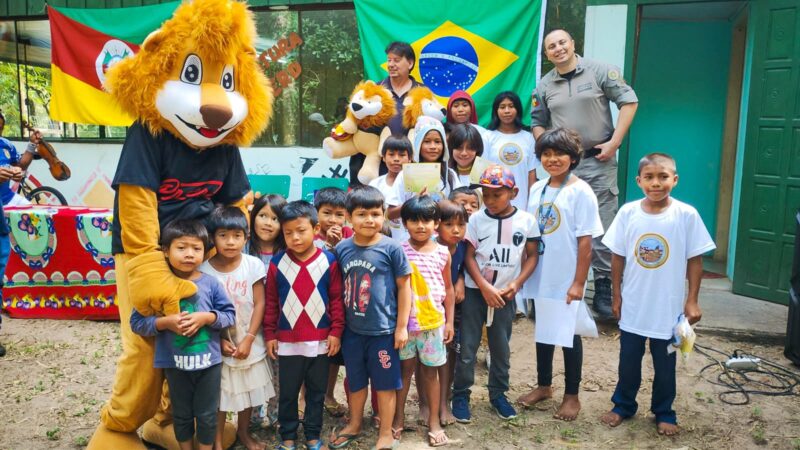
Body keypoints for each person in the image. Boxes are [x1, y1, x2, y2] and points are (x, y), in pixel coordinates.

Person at [599, 153, 715, 436]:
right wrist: (617, 296)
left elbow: (695, 260)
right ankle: (623, 405)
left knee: (665, 364)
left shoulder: (686, 214)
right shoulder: (628, 212)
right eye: (649, 177)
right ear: (639, 181)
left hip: (668, 309)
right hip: (634, 306)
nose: (656, 183)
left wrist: (692, 299)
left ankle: (664, 411)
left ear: (674, 179)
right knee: (628, 361)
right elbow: (617, 256)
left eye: (663, 177)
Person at [531, 28, 639, 320]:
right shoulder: (544, 86)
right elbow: (537, 123)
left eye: (562, 42)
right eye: (551, 46)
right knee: (559, 224)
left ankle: (603, 288)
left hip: (598, 160)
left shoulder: (600, 71)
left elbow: (629, 102)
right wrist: (547, 152)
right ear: (547, 53)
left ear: (573, 43)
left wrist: (615, 142)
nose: (558, 49)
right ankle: (554, 285)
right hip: (563, 165)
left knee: (602, 225)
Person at [517, 128, 604, 421]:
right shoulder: (539, 188)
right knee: (543, 330)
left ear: (573, 157)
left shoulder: (581, 191)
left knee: (568, 334)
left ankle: (571, 395)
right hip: (539, 273)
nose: (552, 159)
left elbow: (585, 242)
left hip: (566, 276)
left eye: (559, 154)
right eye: (546, 154)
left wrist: (579, 282)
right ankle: (544, 385)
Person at [130, 219, 236, 450]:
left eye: (196, 248)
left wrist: (207, 317)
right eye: (181, 247)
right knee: (181, 414)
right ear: (166, 251)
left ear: (205, 252)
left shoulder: (211, 284)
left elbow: (229, 315)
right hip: (175, 365)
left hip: (209, 365)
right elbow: (136, 323)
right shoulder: (155, 286)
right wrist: (164, 323)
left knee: (208, 415)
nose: (189, 254)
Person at [452, 165, 539, 423]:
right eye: (486, 195)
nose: (489, 201)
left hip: (506, 294)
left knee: (500, 346)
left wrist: (517, 284)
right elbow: (468, 256)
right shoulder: (477, 219)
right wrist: (483, 286)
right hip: (475, 291)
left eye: (497, 195)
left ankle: (498, 394)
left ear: (514, 192)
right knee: (467, 346)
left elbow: (532, 256)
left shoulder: (527, 221)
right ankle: (460, 395)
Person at [329, 186, 412, 450]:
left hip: (384, 333)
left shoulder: (392, 248)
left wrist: (401, 328)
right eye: (362, 214)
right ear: (349, 218)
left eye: (375, 214)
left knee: (385, 384)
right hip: (353, 332)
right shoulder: (341, 249)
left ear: (384, 215)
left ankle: (386, 432)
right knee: (355, 380)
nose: (369, 220)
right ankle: (355, 423)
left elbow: (404, 287)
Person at [264, 201, 345, 450]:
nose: (295, 237)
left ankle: (312, 435)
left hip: (320, 342)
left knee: (316, 392)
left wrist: (336, 332)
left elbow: (336, 300)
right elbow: (271, 303)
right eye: (288, 233)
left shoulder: (328, 262)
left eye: (301, 230)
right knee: (287, 393)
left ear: (316, 228)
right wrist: (270, 334)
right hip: (288, 343)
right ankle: (287, 436)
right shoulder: (277, 263)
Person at [199, 207, 273, 450]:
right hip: (219, 344)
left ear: (246, 236)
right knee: (221, 396)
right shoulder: (204, 270)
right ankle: (218, 442)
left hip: (250, 340)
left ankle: (243, 433)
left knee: (249, 391)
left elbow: (260, 302)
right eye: (223, 235)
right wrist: (219, 341)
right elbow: (203, 310)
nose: (230, 242)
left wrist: (250, 338)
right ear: (212, 238)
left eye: (237, 235)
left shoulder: (252, 265)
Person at [393, 196, 454, 447]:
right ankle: (397, 419)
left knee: (430, 373)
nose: (421, 226)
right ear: (405, 223)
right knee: (404, 373)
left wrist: (449, 322)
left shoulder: (442, 253)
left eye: (427, 220)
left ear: (436, 223)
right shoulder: (397, 250)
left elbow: (448, 289)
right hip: (405, 326)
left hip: (433, 325)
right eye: (414, 220)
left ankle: (434, 422)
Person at [350, 42, 423, 187]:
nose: (391, 65)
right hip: (378, 165)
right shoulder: (374, 91)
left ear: (410, 63)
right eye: (389, 60)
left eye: (396, 60)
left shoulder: (422, 93)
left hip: (410, 166)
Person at [244, 193, 286, 428]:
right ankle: (250, 415)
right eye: (262, 216)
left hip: (277, 320)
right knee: (253, 367)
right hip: (248, 319)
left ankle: (275, 412)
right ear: (253, 216)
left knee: (277, 368)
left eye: (275, 218)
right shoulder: (243, 247)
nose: (268, 223)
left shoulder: (286, 251)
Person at [435, 200, 469, 426]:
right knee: (426, 359)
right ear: (436, 225)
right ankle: (427, 403)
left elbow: (464, 266)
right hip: (430, 310)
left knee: (449, 354)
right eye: (449, 224)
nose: (455, 230)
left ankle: (443, 400)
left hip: (453, 311)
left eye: (461, 224)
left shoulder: (464, 246)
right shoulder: (429, 245)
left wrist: (461, 279)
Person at [386, 117, 461, 220]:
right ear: (418, 144)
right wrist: (414, 201)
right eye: (427, 141)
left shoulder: (450, 175)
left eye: (438, 142)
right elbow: (390, 214)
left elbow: (459, 207)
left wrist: (441, 204)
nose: (433, 146)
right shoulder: (405, 174)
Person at [486, 91, 539, 210]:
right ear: (496, 111)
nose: (507, 111)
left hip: (522, 204)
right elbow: (481, 172)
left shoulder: (529, 138)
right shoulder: (487, 137)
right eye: (502, 107)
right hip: (494, 205)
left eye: (511, 106)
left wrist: (532, 205)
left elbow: (532, 174)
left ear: (518, 110)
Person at [369, 135, 413, 242]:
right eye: (391, 154)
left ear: (410, 158)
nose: (396, 159)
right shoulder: (375, 185)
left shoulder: (415, 185)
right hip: (380, 240)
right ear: (383, 157)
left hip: (409, 242)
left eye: (402, 155)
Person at [0, 111, 36, 206]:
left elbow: (21, 165)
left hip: (7, 198)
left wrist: (32, 144)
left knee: (32, 214)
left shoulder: (6, 145)